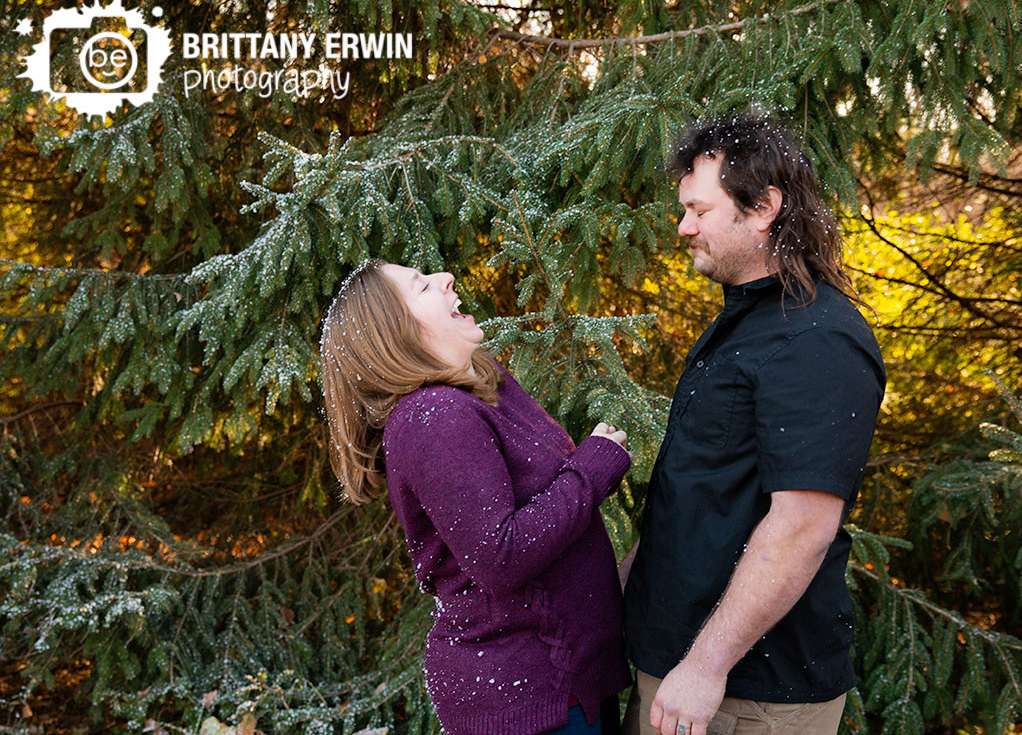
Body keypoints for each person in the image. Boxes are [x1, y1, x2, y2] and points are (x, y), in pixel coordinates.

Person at [621, 114, 886, 735]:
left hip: (746, 695)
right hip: (679, 672)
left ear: (764, 207)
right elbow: (701, 493)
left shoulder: (818, 339)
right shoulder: (745, 324)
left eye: (699, 210)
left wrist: (705, 668)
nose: (683, 227)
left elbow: (802, 526)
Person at [319, 259, 633, 734]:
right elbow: (499, 556)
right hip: (529, 700)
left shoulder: (482, 388)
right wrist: (592, 469)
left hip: (568, 681)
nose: (446, 278)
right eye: (422, 287)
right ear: (396, 334)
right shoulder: (432, 416)